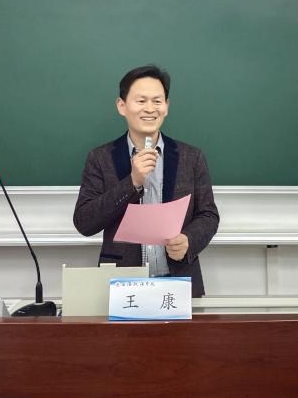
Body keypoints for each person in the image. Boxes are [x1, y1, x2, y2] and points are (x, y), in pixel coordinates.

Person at [73, 64, 219, 297]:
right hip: (123, 284)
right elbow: (84, 222)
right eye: (141, 101)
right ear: (122, 106)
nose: (150, 108)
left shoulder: (191, 157)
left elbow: (208, 215)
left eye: (157, 101)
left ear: (167, 106)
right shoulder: (100, 158)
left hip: (179, 280)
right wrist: (132, 181)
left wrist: (188, 240)